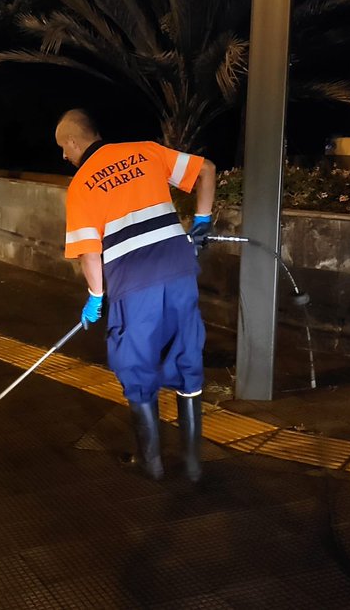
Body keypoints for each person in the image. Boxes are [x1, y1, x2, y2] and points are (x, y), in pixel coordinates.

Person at [57, 109, 216, 482]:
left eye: (63, 148)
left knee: (135, 361)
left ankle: (152, 462)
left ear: (74, 142)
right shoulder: (146, 151)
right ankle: (193, 464)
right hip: (178, 268)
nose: (63, 156)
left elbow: (89, 252)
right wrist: (203, 221)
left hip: (134, 278)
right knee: (186, 352)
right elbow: (206, 169)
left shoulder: (81, 185)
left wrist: (96, 296)